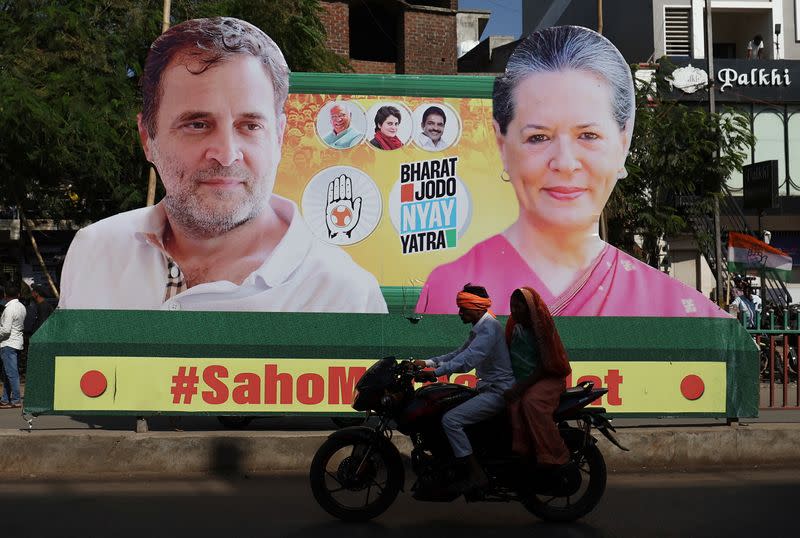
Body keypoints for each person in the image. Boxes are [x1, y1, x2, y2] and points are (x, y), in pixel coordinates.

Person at [58, 17, 386, 313]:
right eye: (197, 124)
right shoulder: (93, 253)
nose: (227, 154)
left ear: (280, 137)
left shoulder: (345, 296)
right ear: (148, 138)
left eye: (250, 125)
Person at [415, 26, 730, 318]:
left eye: (588, 135)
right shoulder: (450, 290)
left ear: (623, 143)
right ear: (502, 145)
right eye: (538, 137)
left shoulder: (675, 310)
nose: (565, 163)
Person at [413, 284, 515, 491]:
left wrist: (434, 373)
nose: (460, 313)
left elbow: (468, 360)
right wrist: (428, 362)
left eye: (463, 308)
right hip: (487, 388)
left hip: (497, 392)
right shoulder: (481, 326)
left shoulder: (490, 328)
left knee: (451, 420)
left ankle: (477, 474)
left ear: (478, 307)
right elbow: (459, 353)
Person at [503, 287, 571, 469]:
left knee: (530, 402)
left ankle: (554, 455)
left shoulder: (541, 328)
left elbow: (546, 364)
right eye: (512, 306)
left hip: (547, 378)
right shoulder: (512, 326)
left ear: (530, 308)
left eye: (519, 307)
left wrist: (521, 387)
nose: (514, 311)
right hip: (522, 380)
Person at [0, 284, 26, 408]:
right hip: (16, 342)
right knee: (7, 372)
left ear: (5, 296)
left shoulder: (9, 309)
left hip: (8, 343)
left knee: (11, 373)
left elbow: (5, 330)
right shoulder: (21, 307)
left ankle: (15, 400)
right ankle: (5, 399)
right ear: (18, 295)